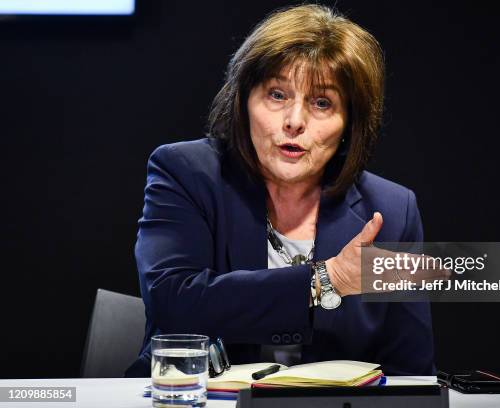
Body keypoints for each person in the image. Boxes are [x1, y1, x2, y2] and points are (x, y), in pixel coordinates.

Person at [126, 4, 447, 377]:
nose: (294, 121)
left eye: (322, 102)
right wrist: (327, 280)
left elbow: (411, 371)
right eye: (277, 95)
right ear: (244, 100)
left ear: (350, 124)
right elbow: (174, 302)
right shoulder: (186, 173)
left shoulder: (392, 210)